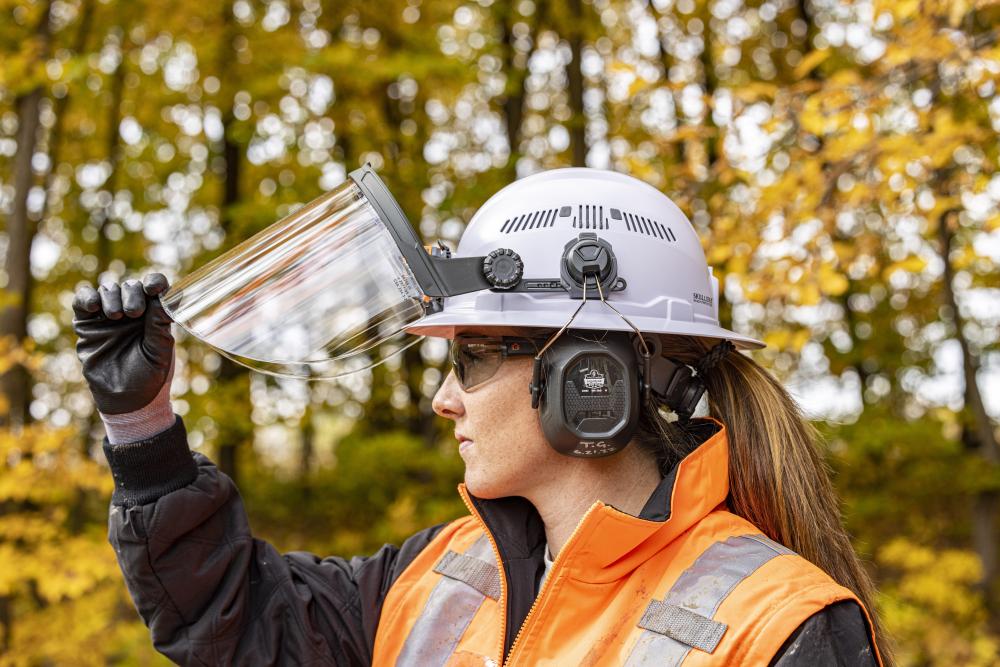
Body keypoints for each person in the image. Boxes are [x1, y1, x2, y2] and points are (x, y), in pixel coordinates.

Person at [73, 168, 890, 666]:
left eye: (470, 358)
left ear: (591, 374)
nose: (444, 397)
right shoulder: (444, 573)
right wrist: (142, 421)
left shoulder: (777, 628)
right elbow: (242, 620)